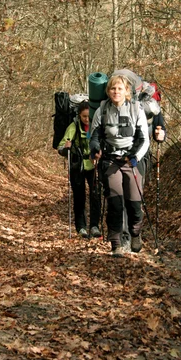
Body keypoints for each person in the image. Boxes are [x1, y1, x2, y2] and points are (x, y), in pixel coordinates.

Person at [89, 75, 150, 256]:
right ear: (108, 91)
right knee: (115, 203)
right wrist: (95, 149)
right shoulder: (102, 110)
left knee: (134, 203)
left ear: (127, 91)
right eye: (113, 89)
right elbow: (94, 136)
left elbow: (144, 139)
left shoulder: (136, 109)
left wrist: (136, 157)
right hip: (110, 160)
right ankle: (115, 244)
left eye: (120, 89)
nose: (116, 92)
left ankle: (135, 233)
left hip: (131, 161)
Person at [57, 101, 101, 238]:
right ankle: (81, 227)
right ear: (79, 116)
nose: (87, 119)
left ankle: (94, 226)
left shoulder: (96, 127)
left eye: (89, 116)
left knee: (96, 196)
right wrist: (66, 147)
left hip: (94, 166)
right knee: (79, 197)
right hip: (78, 166)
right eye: (84, 116)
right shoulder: (73, 126)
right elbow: (61, 147)